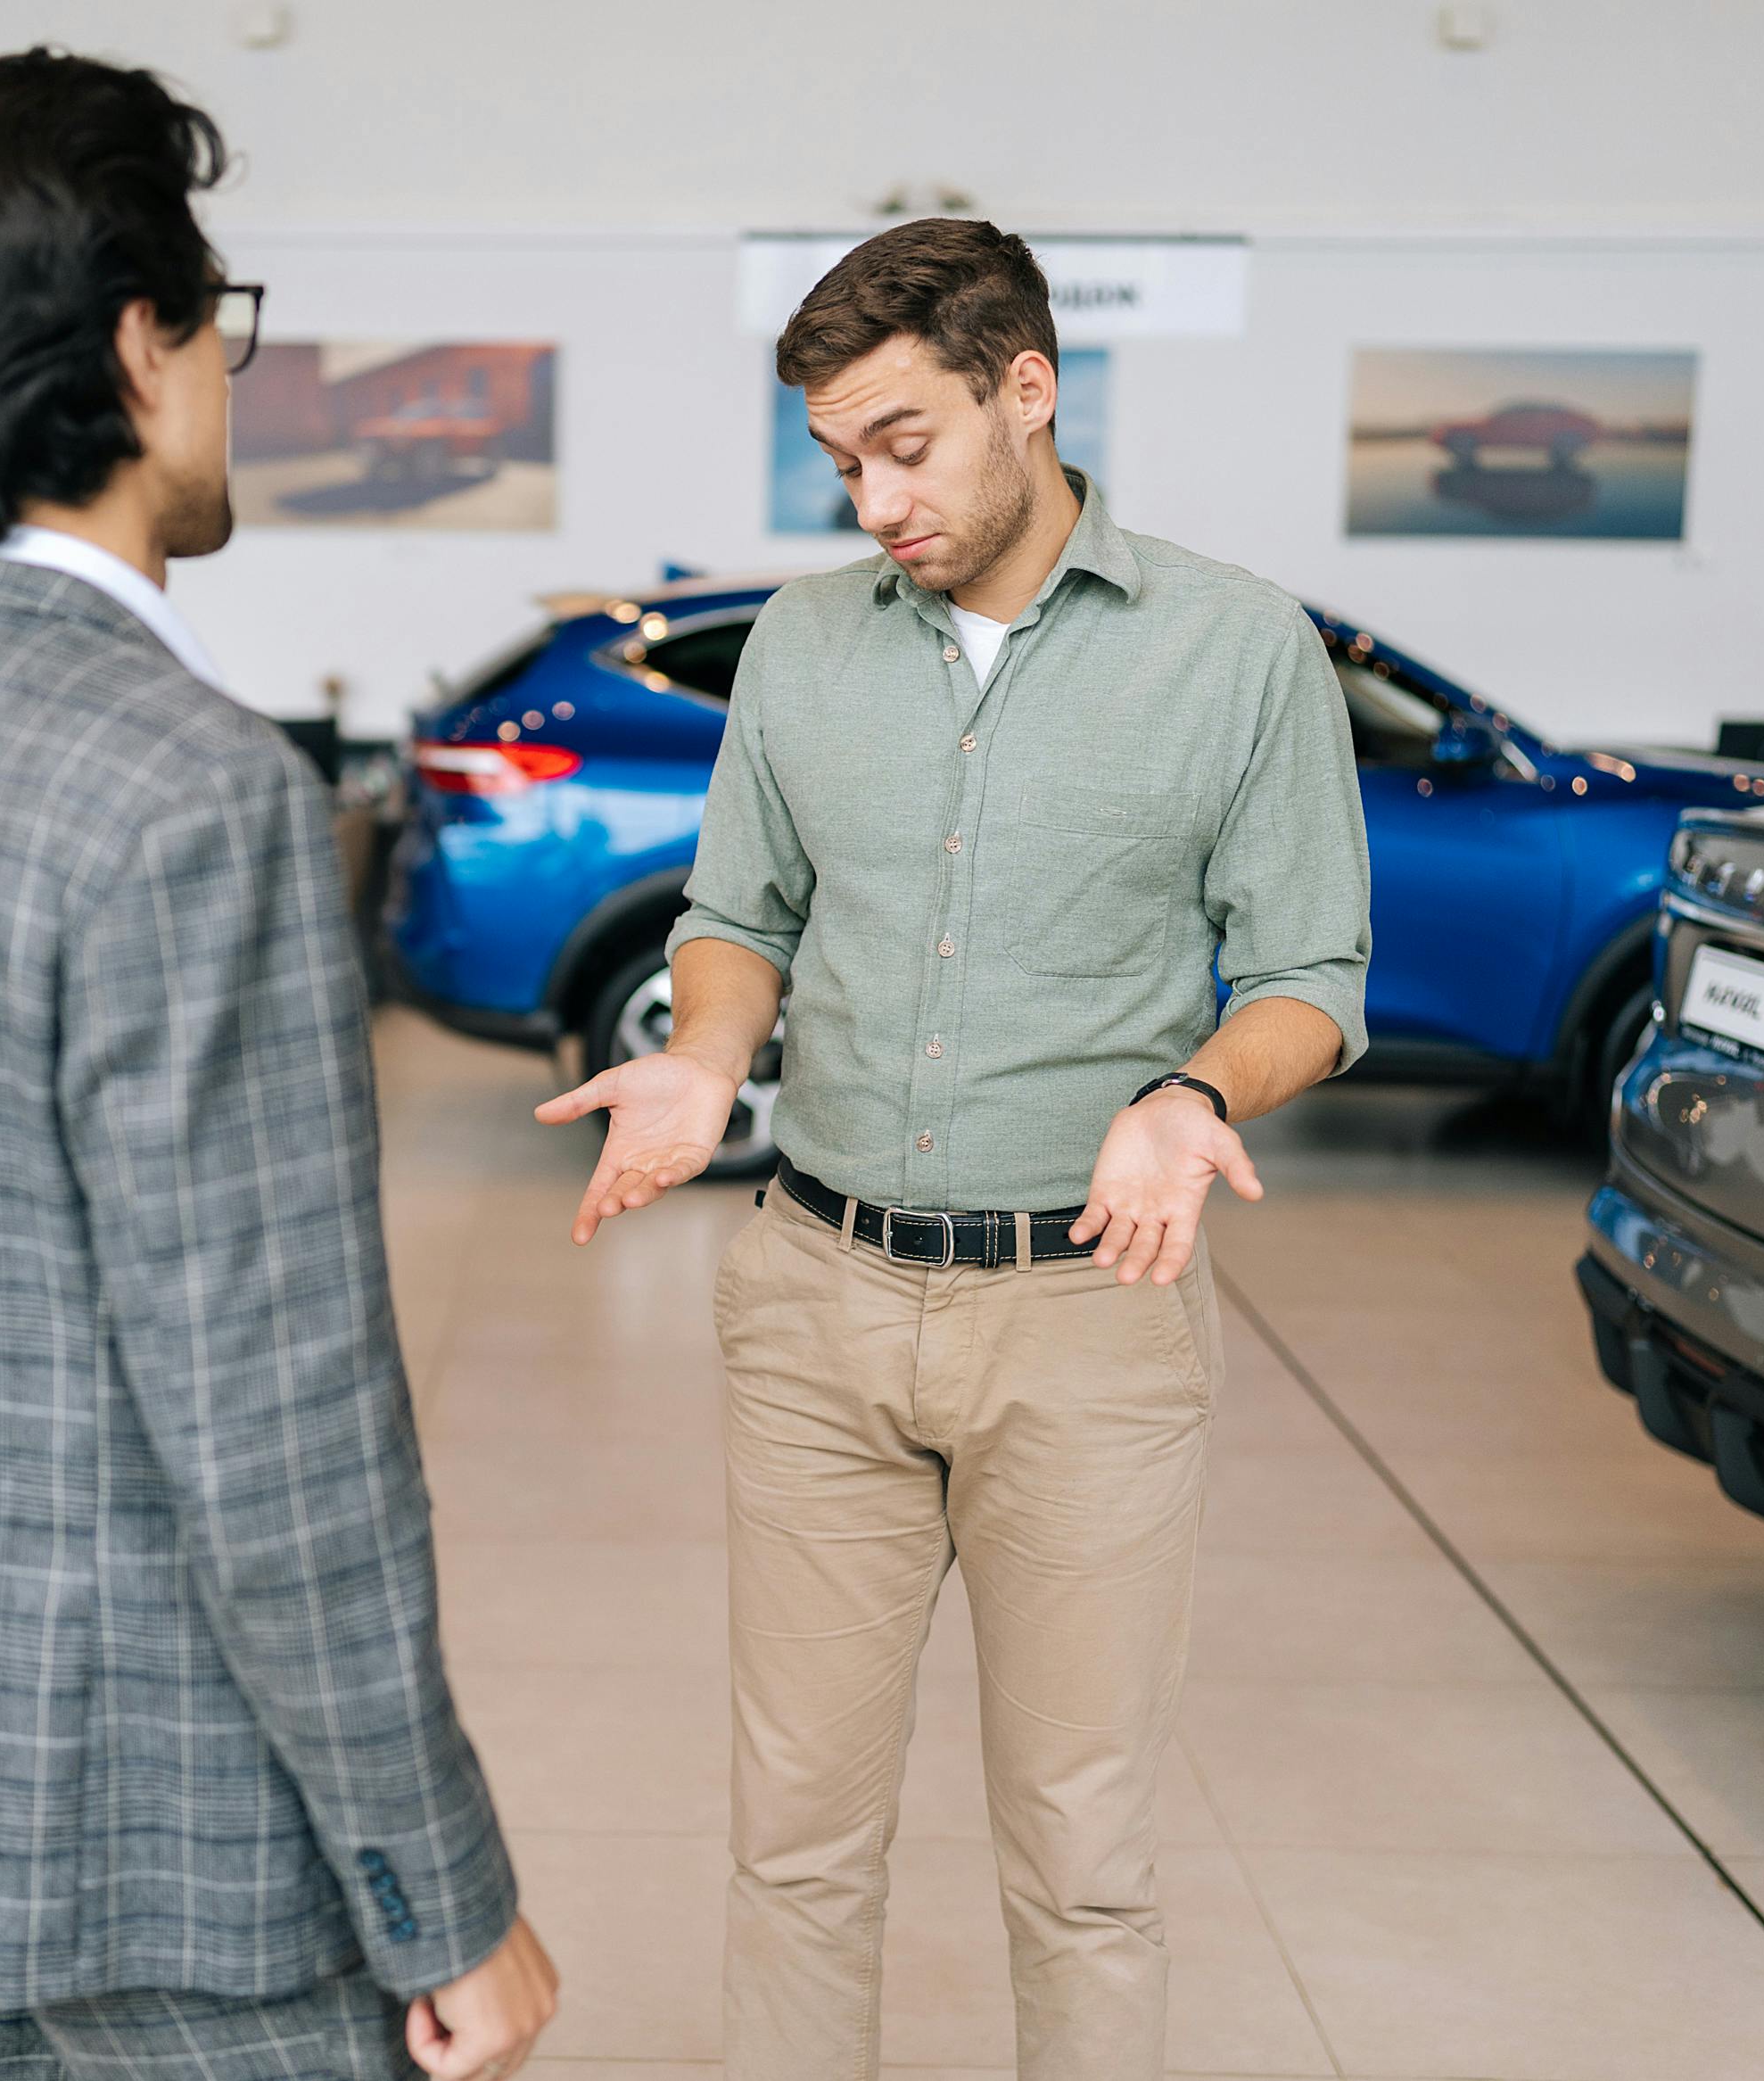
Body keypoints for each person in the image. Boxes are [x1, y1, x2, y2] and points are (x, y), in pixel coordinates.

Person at [0, 48, 556, 2081]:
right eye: (218, 323)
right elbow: (276, 1425)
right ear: (139, 347)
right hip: (178, 1834)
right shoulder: (201, 795)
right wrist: (444, 1889)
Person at [538, 218, 1371, 2080]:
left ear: (1026, 389)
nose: (872, 498)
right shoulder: (805, 649)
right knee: (797, 1843)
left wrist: (1194, 1093)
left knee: (1078, 1857)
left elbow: (1315, 971)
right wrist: (702, 1059)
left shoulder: (1235, 651)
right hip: (818, 1297)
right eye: (840, 459)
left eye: (903, 442)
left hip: (1088, 1313)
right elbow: (736, 908)